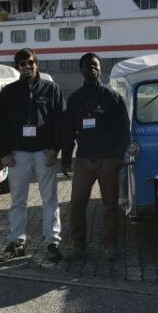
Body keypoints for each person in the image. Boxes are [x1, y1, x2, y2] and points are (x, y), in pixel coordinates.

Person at [0, 49, 65, 263]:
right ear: (17, 67)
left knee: (50, 199)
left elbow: (60, 121)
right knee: (18, 200)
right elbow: (0, 124)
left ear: (37, 64)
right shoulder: (8, 92)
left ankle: (52, 242)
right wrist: (3, 153)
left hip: (44, 152)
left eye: (31, 62)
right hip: (18, 154)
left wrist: (56, 148)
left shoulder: (51, 89)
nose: (27, 66)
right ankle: (16, 242)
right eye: (23, 63)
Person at [62, 53, 130, 261]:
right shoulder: (75, 99)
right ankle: (78, 245)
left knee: (110, 205)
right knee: (76, 204)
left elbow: (123, 130)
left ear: (100, 69)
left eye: (95, 65)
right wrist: (66, 158)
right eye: (88, 65)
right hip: (83, 160)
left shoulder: (112, 97)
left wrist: (118, 156)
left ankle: (110, 245)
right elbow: (68, 131)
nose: (92, 68)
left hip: (108, 160)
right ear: (81, 70)